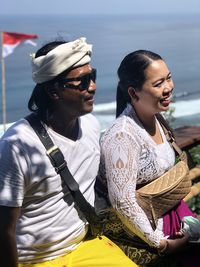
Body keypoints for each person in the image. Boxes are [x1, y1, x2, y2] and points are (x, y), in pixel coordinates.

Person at [0, 37, 138, 267]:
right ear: (53, 91)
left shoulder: (91, 125)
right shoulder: (17, 146)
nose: (92, 86)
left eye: (92, 76)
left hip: (85, 246)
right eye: (82, 81)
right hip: (36, 260)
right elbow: (4, 229)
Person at [98, 50, 199, 266]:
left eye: (169, 78)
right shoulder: (122, 135)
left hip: (176, 218)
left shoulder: (157, 119)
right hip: (149, 235)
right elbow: (122, 201)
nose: (168, 88)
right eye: (158, 83)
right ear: (133, 93)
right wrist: (162, 244)